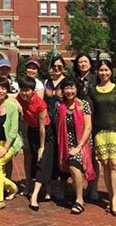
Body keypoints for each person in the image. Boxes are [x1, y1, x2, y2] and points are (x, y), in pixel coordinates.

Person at [88, 59, 116, 216]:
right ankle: (110, 196)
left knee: (115, 164)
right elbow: (90, 114)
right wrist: (90, 133)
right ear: (97, 72)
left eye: (106, 70)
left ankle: (114, 201)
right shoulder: (92, 91)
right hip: (100, 132)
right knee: (105, 164)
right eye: (101, 70)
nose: (103, 73)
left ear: (111, 71)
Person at [55, 78, 95, 214]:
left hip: (80, 144)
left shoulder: (83, 104)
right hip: (64, 145)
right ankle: (73, 193)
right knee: (68, 171)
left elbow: (88, 127)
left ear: (76, 89)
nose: (69, 91)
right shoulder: (59, 106)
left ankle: (79, 200)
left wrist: (79, 146)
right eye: (66, 88)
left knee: (74, 166)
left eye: (72, 88)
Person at [16, 76, 54, 211]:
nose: (24, 93)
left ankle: (34, 196)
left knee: (42, 159)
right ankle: (48, 190)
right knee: (36, 162)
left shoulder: (40, 104)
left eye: (27, 90)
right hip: (32, 132)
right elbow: (9, 97)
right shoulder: (20, 98)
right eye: (22, 90)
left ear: (33, 90)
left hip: (45, 134)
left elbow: (43, 128)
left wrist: (42, 146)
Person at [0, 77, 22, 211]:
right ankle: (13, 187)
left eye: (3, 88)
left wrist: (5, 148)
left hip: (10, 144)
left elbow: (13, 130)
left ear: (7, 90)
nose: (0, 91)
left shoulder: (12, 106)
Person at [73, 52, 98, 200]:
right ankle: (81, 186)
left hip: (94, 120)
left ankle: (93, 187)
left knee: (94, 156)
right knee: (81, 154)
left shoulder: (95, 78)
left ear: (90, 63)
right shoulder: (75, 80)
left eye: (85, 62)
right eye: (80, 62)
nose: (82, 64)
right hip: (78, 121)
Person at [19, 58, 45, 196]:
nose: (31, 70)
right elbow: (17, 97)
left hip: (36, 124)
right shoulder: (23, 82)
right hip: (26, 125)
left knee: (39, 155)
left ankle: (41, 185)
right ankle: (28, 183)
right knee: (28, 154)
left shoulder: (39, 85)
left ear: (38, 71)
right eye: (29, 67)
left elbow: (35, 103)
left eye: (34, 68)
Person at [44, 55, 67, 200]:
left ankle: (63, 187)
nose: (57, 69)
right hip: (49, 122)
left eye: (59, 66)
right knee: (50, 154)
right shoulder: (47, 82)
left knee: (63, 153)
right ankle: (49, 189)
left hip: (63, 121)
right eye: (55, 66)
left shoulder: (67, 82)